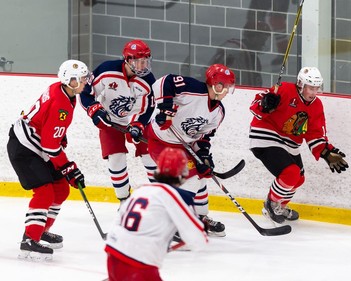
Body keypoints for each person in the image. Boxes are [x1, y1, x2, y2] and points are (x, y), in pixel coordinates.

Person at [7, 59, 91, 260]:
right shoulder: (61, 104)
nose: (85, 82)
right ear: (69, 81)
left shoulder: (61, 91)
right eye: (81, 79)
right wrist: (70, 168)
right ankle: (29, 239)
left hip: (37, 145)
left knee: (61, 189)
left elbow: (48, 130)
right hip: (25, 149)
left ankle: (40, 228)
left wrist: (59, 136)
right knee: (45, 192)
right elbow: (50, 147)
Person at [249, 66, 349, 224]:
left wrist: (326, 153)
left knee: (298, 179)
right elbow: (255, 105)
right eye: (310, 88)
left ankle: (279, 207)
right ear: (301, 84)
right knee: (291, 173)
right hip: (266, 135)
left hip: (289, 143)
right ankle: (271, 204)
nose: (313, 92)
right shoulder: (284, 90)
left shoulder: (316, 106)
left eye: (316, 88)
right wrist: (265, 103)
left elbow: (315, 134)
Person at [147, 64, 236, 237]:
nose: (226, 91)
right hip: (162, 141)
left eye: (228, 88)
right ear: (214, 84)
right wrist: (165, 106)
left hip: (184, 146)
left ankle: (200, 217)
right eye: (223, 86)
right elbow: (163, 82)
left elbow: (203, 137)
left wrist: (203, 155)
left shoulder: (218, 112)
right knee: (191, 177)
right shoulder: (193, 89)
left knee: (201, 176)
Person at [105, 147, 208, 281]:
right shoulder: (177, 196)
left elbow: (118, 221)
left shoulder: (141, 190)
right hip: (139, 263)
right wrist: (202, 229)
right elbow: (198, 241)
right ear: (183, 172)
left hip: (113, 252)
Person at [80, 39, 157, 202]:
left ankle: (164, 199)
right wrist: (94, 110)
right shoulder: (107, 70)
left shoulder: (149, 81)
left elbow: (148, 108)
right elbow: (86, 93)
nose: (143, 66)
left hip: (138, 120)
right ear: (128, 60)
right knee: (116, 159)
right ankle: (124, 200)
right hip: (111, 120)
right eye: (139, 61)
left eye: (146, 61)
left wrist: (139, 123)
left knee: (150, 156)